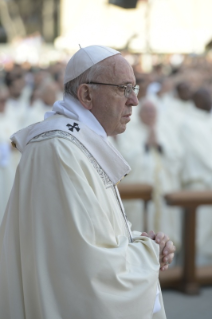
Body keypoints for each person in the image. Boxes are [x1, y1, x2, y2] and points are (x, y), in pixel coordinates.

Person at [0, 45, 175, 319]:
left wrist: (141, 240)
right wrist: (148, 254)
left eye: (135, 89)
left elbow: (92, 237)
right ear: (86, 94)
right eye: (124, 89)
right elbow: (86, 270)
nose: (134, 101)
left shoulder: (78, 142)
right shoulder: (59, 149)